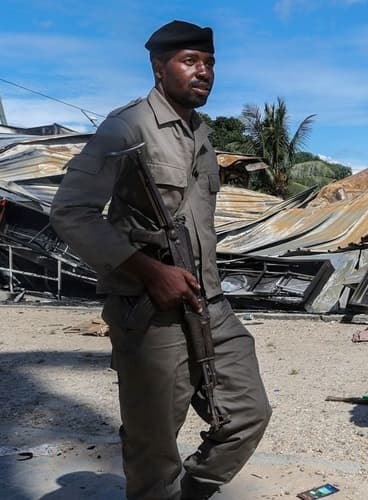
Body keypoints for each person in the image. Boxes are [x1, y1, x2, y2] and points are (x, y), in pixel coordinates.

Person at [50, 20, 271, 499]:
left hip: (207, 299)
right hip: (148, 309)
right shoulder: (127, 127)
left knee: (249, 411)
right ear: (158, 66)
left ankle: (192, 491)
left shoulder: (201, 134)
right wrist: (147, 269)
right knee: (154, 443)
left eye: (209, 62)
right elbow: (71, 212)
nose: (204, 71)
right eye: (190, 61)